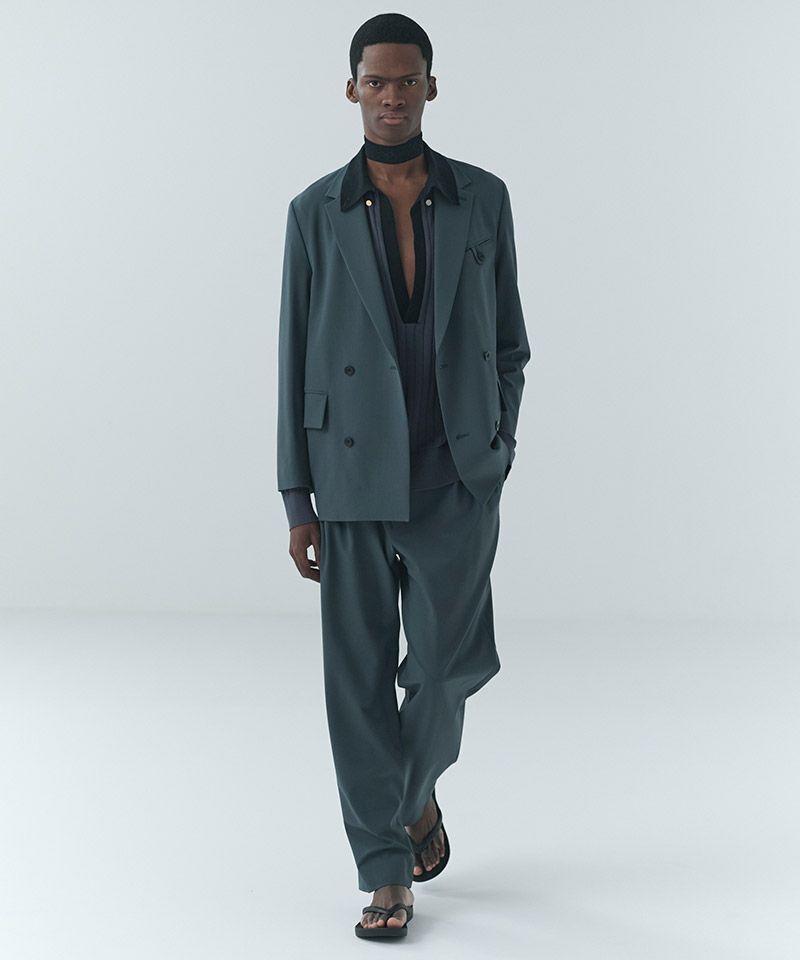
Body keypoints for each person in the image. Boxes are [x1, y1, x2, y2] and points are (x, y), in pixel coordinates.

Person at [276, 12, 530, 939]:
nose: (391, 96)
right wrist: (296, 496)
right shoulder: (314, 210)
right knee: (355, 681)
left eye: (407, 80)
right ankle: (385, 871)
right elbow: (292, 356)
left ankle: (410, 798)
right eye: (375, 81)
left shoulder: (482, 198)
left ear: (431, 85)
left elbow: (510, 341)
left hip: (457, 472)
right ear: (351, 89)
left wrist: (497, 443)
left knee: (454, 664)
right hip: (348, 473)